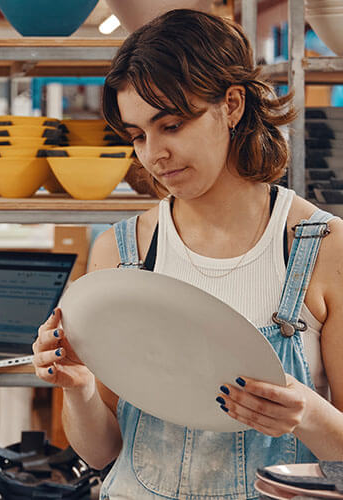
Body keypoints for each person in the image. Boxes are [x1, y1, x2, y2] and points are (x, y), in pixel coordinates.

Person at [33, 9, 343, 500]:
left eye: (171, 125)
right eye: (137, 136)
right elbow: (103, 453)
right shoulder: (121, 250)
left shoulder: (322, 246)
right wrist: (80, 388)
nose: (154, 153)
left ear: (233, 105)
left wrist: (308, 413)